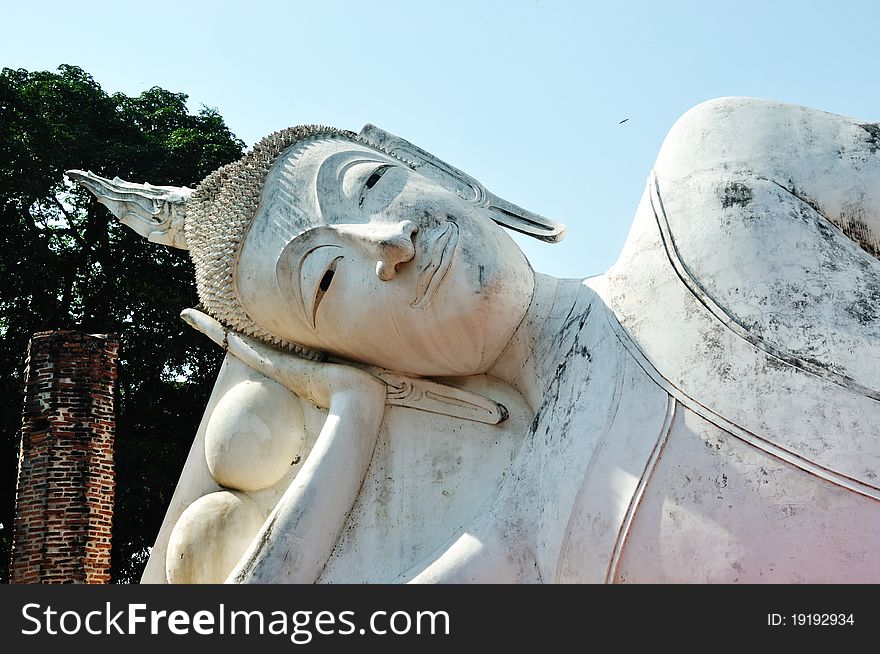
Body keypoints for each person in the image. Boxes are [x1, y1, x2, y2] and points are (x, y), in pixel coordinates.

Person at [70, 97, 880, 583]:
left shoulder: (725, 176)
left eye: (372, 184)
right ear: (341, 354)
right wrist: (351, 413)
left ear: (441, 174)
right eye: (322, 277)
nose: (388, 239)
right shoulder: (530, 530)